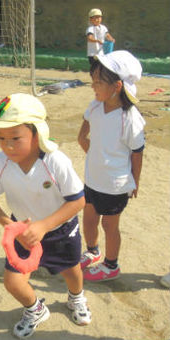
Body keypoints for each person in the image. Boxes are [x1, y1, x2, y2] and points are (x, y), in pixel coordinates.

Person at [0, 93, 91, 338]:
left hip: (61, 229)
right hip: (22, 233)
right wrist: (12, 227)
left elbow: (78, 200)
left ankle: (76, 298)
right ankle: (35, 309)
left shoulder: (54, 161)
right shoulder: (1, 163)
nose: (8, 145)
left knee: (72, 271)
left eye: (15, 138)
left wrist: (43, 226)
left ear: (37, 133)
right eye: (1, 138)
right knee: (12, 281)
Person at [77, 50, 145, 282]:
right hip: (93, 178)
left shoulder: (129, 117)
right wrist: (84, 142)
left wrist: (135, 180)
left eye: (98, 82)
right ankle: (92, 251)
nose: (93, 87)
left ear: (117, 86)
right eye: (92, 81)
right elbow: (85, 125)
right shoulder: (96, 105)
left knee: (109, 224)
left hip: (115, 184)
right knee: (88, 218)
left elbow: (137, 152)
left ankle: (111, 265)